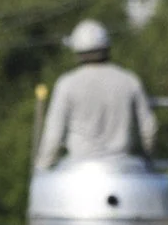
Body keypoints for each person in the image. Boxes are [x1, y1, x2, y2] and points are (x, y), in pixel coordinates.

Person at [36, 20, 158, 169]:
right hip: (122, 169)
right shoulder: (129, 80)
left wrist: (41, 168)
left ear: (77, 52)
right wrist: (147, 161)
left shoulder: (67, 84)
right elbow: (149, 128)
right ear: (107, 48)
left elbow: (53, 136)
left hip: (79, 170)